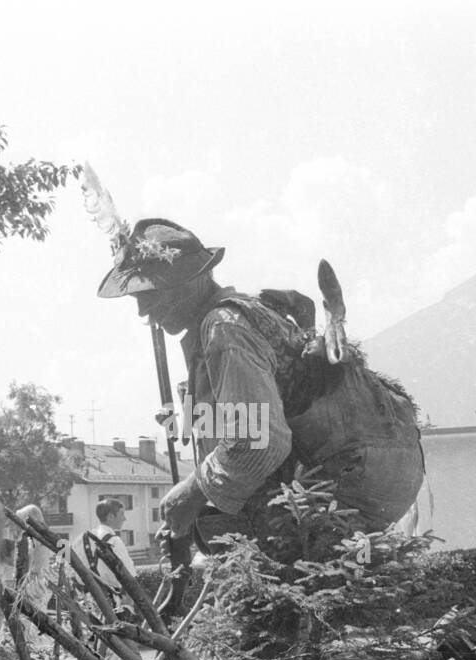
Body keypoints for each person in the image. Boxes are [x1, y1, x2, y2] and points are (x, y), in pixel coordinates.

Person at [96, 218, 422, 547]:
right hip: (361, 485)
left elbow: (258, 441)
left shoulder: (224, 329)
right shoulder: (240, 317)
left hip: (330, 489)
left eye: (150, 294)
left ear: (188, 281)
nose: (142, 310)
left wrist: (193, 493)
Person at [81, 497, 137, 619]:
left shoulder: (84, 538)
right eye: (121, 514)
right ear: (111, 517)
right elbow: (130, 576)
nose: (124, 518)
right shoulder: (114, 540)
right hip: (113, 603)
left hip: (88, 601)